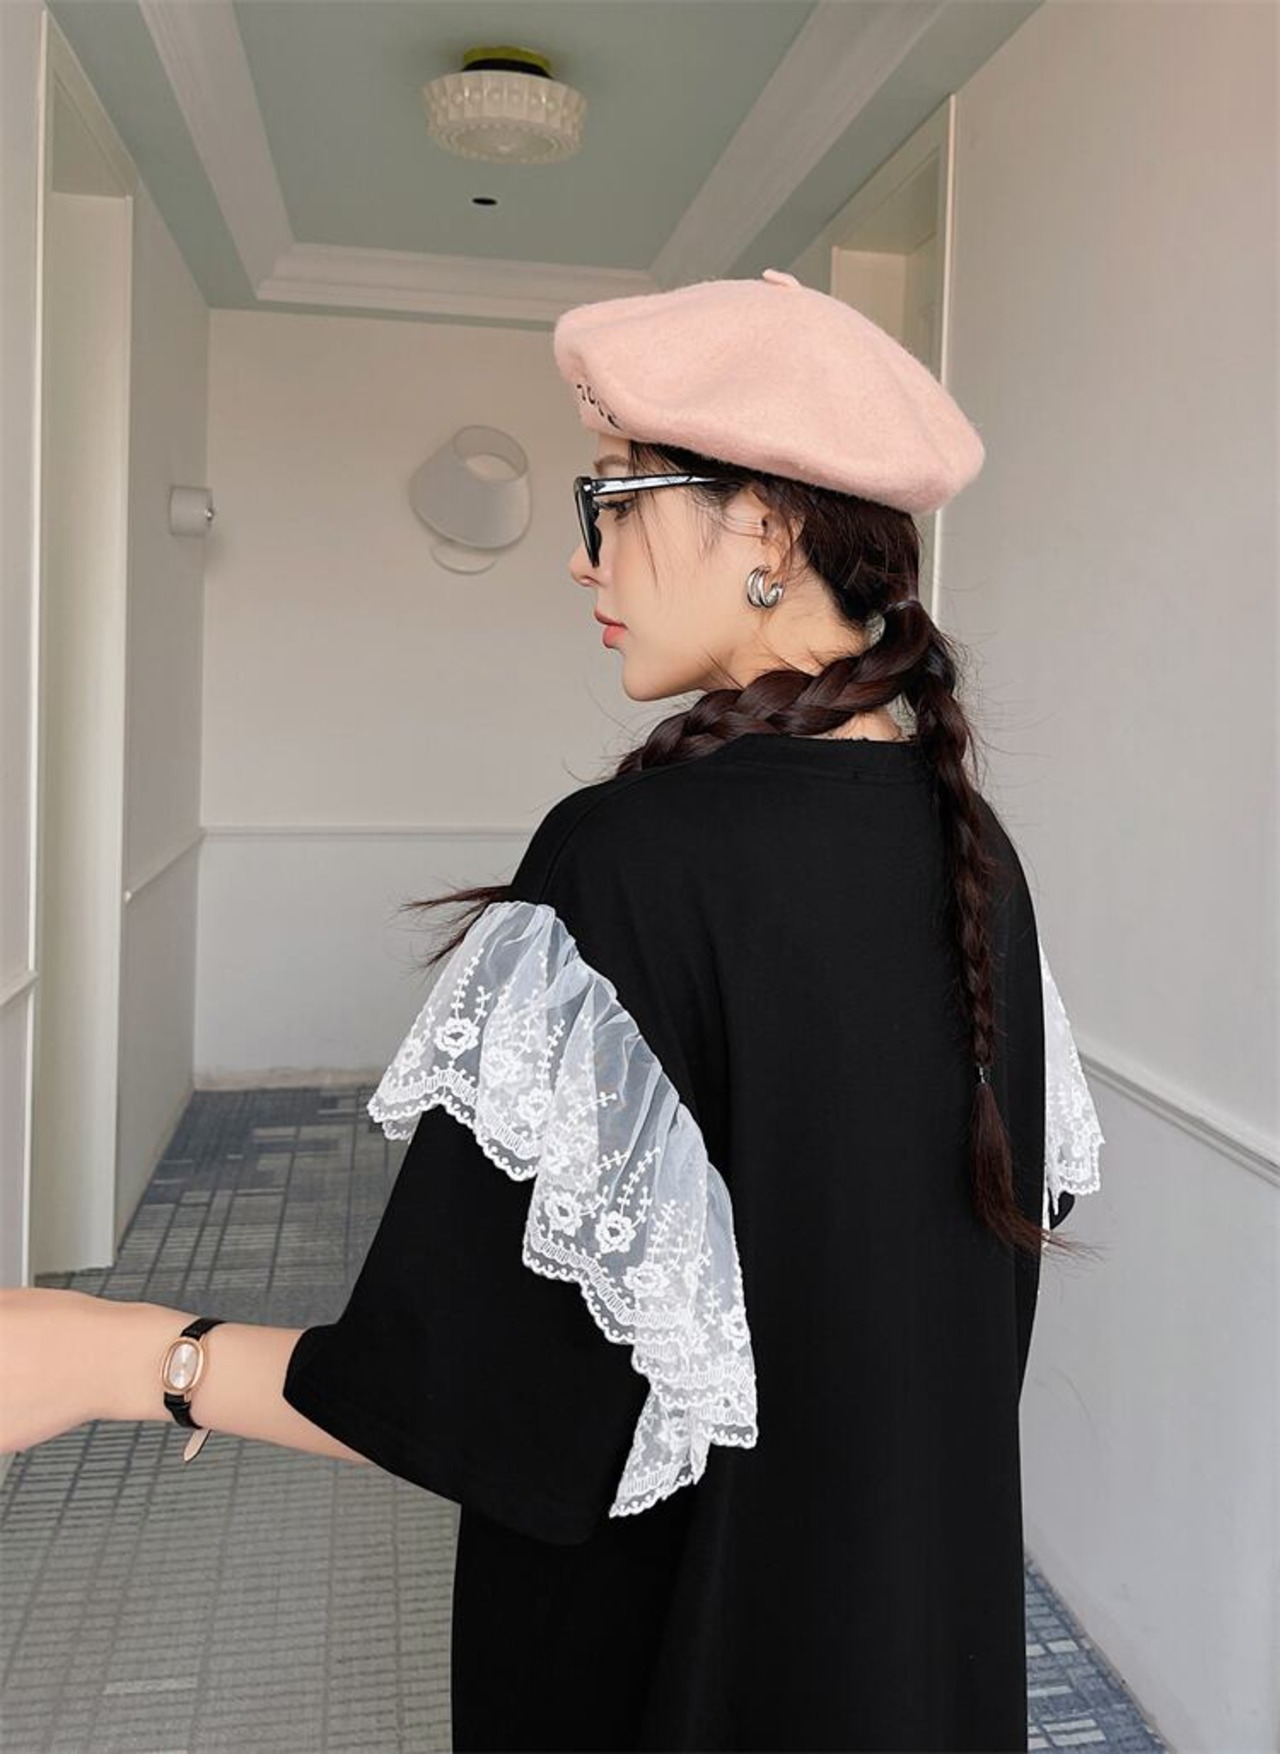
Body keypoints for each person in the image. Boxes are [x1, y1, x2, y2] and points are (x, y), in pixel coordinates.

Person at [0, 268, 1104, 1753]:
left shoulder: (632, 861)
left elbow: (473, 1395)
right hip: (912, 1656)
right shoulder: (974, 851)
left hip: (680, 1673)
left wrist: (119, 1355)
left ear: (769, 530)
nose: (587, 558)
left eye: (616, 500)